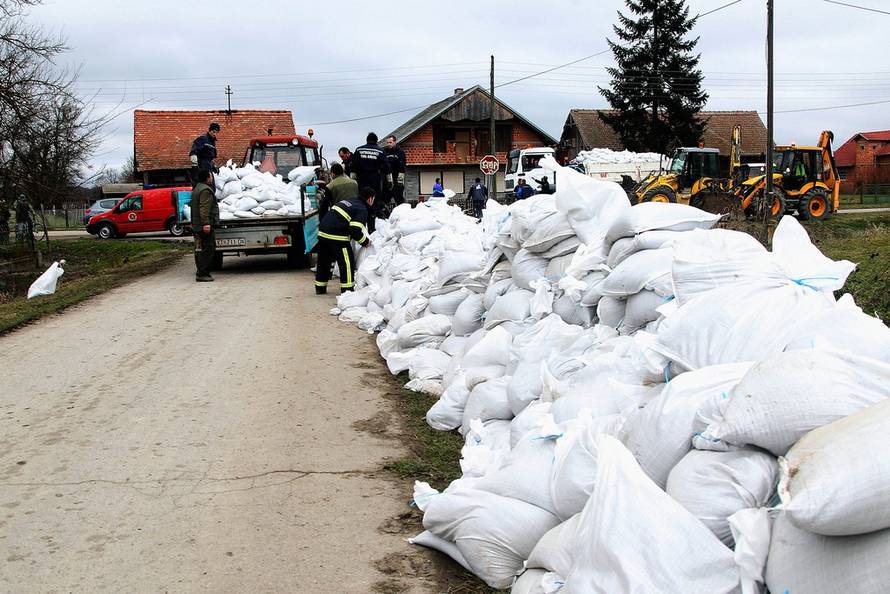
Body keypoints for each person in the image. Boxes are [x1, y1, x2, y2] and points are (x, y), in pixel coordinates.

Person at [315, 186, 375, 295]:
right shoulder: (362, 209)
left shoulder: (350, 201)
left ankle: (320, 288)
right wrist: (365, 242)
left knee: (324, 261)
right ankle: (347, 290)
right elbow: (354, 230)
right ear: (370, 199)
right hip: (337, 235)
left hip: (323, 232)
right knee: (347, 262)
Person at [349, 132, 390, 222]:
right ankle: (373, 218)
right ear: (376, 141)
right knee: (374, 198)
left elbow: (353, 165)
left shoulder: (359, 150)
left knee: (362, 198)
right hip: (375, 178)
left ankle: (362, 217)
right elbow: (386, 166)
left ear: (367, 140)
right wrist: (389, 179)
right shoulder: (380, 151)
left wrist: (353, 179)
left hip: (362, 178)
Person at [191, 169, 220, 282]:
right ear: (207, 178)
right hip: (204, 226)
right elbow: (204, 208)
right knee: (207, 249)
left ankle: (201, 272)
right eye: (211, 176)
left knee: (199, 249)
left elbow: (194, 207)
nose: (212, 178)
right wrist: (206, 223)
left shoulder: (197, 188)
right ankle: (203, 273)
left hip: (197, 224)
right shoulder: (205, 190)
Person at [383, 135, 406, 208]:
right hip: (387, 179)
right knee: (385, 199)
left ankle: (401, 214)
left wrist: (400, 180)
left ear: (395, 142)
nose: (389, 144)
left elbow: (402, 167)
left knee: (399, 199)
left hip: (397, 179)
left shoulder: (400, 152)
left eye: (390, 142)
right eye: (387, 142)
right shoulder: (385, 152)